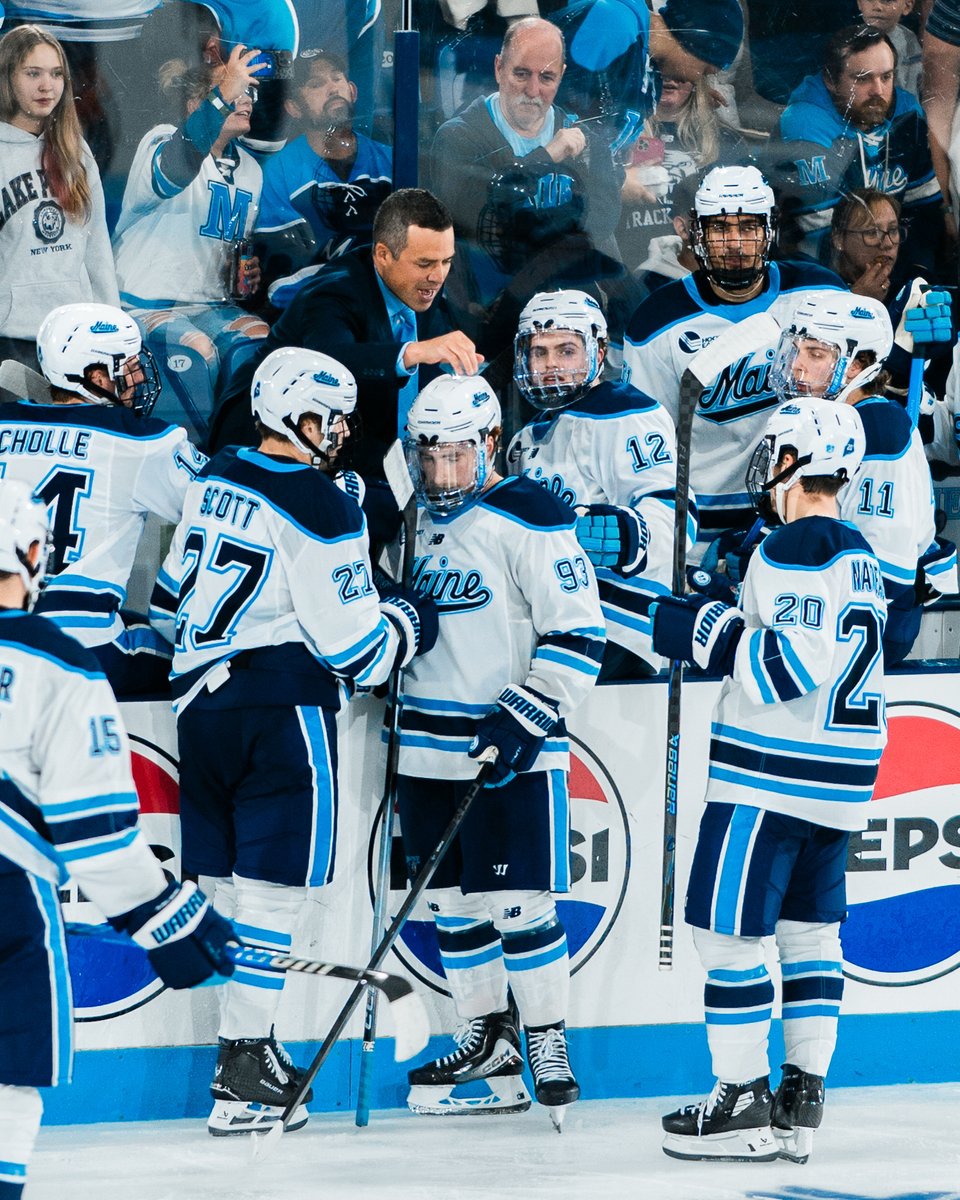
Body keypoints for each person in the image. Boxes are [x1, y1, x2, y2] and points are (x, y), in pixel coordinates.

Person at [151, 346, 438, 1135]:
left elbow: (171, 598)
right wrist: (410, 619)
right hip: (280, 712)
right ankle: (245, 1063)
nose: (340, 431)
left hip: (199, 708)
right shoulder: (323, 506)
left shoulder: (213, 475)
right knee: (274, 894)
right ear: (295, 416)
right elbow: (361, 653)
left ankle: (239, 1059)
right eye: (330, 417)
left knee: (233, 892)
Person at [650, 396, 887, 1164]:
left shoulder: (793, 546)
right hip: (841, 782)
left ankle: (741, 1100)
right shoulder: (858, 549)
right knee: (809, 934)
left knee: (724, 937)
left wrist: (702, 627)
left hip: (770, 776)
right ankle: (800, 1097)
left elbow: (781, 665)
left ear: (793, 459)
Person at [0, 477, 235, 1198]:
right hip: (7, 905)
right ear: (34, 549)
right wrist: (174, 922)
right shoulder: (57, 661)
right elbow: (96, 841)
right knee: (6, 1084)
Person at [398, 372, 605, 1127]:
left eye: (457, 456)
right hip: (424, 749)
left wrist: (531, 711)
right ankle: (484, 1039)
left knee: (520, 904)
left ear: (489, 444)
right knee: (453, 905)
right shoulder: (411, 517)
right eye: (430, 457)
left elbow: (581, 630)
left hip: (509, 746)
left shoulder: (531, 513)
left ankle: (546, 1039)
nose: (443, 473)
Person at [623, 164, 844, 558]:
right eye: (721, 229)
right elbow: (649, 445)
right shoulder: (656, 321)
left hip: (802, 515)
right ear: (698, 234)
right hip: (699, 532)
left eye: (747, 227)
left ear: (768, 231)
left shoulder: (821, 294)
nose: (735, 243)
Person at [0, 302, 206, 698]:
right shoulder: (140, 442)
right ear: (95, 376)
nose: (139, 376)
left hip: (9, 630)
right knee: (202, 658)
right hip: (85, 646)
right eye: (126, 367)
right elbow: (221, 501)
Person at [209, 188, 482, 473]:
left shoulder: (420, 284)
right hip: (265, 447)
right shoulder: (335, 292)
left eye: (446, 261)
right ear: (383, 254)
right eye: (425, 263)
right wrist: (412, 352)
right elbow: (332, 359)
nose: (438, 276)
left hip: (350, 445)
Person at [507, 289, 691, 678]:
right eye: (539, 352)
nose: (550, 365)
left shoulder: (626, 414)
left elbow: (676, 520)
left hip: (620, 629)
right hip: (553, 626)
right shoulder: (524, 439)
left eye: (566, 351)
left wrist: (618, 534)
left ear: (599, 350)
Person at [771, 291, 957, 665]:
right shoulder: (829, 420)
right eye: (797, 350)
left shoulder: (879, 431)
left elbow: (883, 582)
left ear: (856, 366)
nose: (797, 367)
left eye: (816, 354)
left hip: (873, 642)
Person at [111, 45, 270, 435]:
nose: (244, 99)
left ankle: (233, 461)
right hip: (141, 304)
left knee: (260, 344)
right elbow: (175, 171)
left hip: (210, 305)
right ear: (195, 104)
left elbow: (232, 258)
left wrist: (246, 275)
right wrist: (221, 97)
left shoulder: (250, 170)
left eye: (247, 91)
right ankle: (181, 462)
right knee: (194, 349)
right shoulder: (162, 140)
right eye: (236, 90)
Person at [428, 18, 624, 309]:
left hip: (568, 298)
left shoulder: (584, 139)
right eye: (521, 74)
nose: (532, 91)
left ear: (561, 76)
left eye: (546, 78)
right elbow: (469, 216)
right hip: (488, 302)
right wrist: (547, 156)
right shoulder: (458, 137)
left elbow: (604, 219)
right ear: (498, 68)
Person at [774, 24, 943, 274]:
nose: (879, 91)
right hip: (821, 277)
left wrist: (917, 275)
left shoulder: (906, 114)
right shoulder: (804, 125)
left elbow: (925, 209)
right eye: (863, 79)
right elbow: (818, 235)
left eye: (886, 77)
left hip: (887, 266)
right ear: (831, 80)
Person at [0, 26, 118, 373]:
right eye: (32, 73)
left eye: (56, 74)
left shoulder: (76, 150)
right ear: (7, 77)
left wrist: (112, 327)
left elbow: (98, 253)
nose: (46, 86)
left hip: (76, 337)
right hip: (11, 339)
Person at [255, 51, 392, 288]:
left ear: (352, 91)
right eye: (316, 84)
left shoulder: (391, 160)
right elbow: (282, 275)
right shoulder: (280, 171)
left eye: (337, 79)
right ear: (294, 108)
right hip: (318, 308)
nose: (332, 88)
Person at [618, 75, 748, 274]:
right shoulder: (615, 136)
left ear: (697, 75)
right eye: (660, 67)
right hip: (630, 274)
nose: (671, 77)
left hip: (706, 275)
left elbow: (745, 221)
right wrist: (617, 183)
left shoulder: (727, 142)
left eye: (681, 70)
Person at [857, 0, 922, 96]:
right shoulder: (851, 42)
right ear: (859, 3)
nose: (877, 7)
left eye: (887, 1)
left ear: (907, 5)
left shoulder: (909, 40)